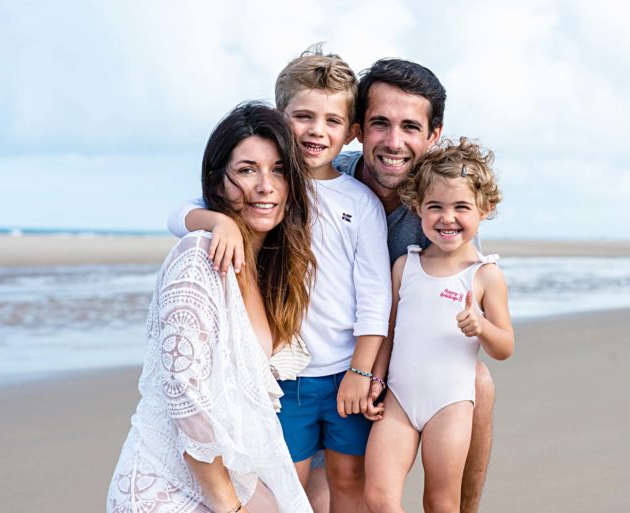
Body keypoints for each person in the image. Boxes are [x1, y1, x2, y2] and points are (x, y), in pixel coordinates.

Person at [176, 56, 499, 513]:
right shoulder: (302, 174)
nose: (392, 141)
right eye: (379, 123)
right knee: (306, 495)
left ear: (433, 135)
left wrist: (372, 373)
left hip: (387, 359)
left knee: (475, 381)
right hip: (304, 361)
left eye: (410, 127)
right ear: (359, 129)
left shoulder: (443, 209)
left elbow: (441, 320)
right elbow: (201, 206)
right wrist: (215, 222)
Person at [167, 47, 392, 513]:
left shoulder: (360, 202)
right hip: (283, 377)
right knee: (285, 484)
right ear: (278, 117)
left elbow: (375, 298)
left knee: (349, 478)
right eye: (303, 116)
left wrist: (360, 371)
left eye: (332, 121)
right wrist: (219, 222)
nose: (316, 130)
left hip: (344, 371)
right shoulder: (267, 190)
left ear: (351, 131)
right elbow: (177, 215)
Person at [107, 102, 317, 513]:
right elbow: (184, 392)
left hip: (227, 480)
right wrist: (228, 505)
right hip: (168, 488)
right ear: (217, 182)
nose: (265, 186)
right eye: (246, 170)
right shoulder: (197, 257)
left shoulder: (265, 268)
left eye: (278, 170)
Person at [364, 137, 515, 513]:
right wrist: (375, 379)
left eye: (461, 207)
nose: (447, 218)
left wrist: (481, 326)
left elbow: (505, 347)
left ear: (486, 208)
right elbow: (390, 333)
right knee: (378, 498)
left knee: (441, 502)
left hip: (450, 404)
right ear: (417, 207)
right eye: (435, 207)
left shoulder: (485, 275)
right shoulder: (405, 266)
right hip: (398, 400)